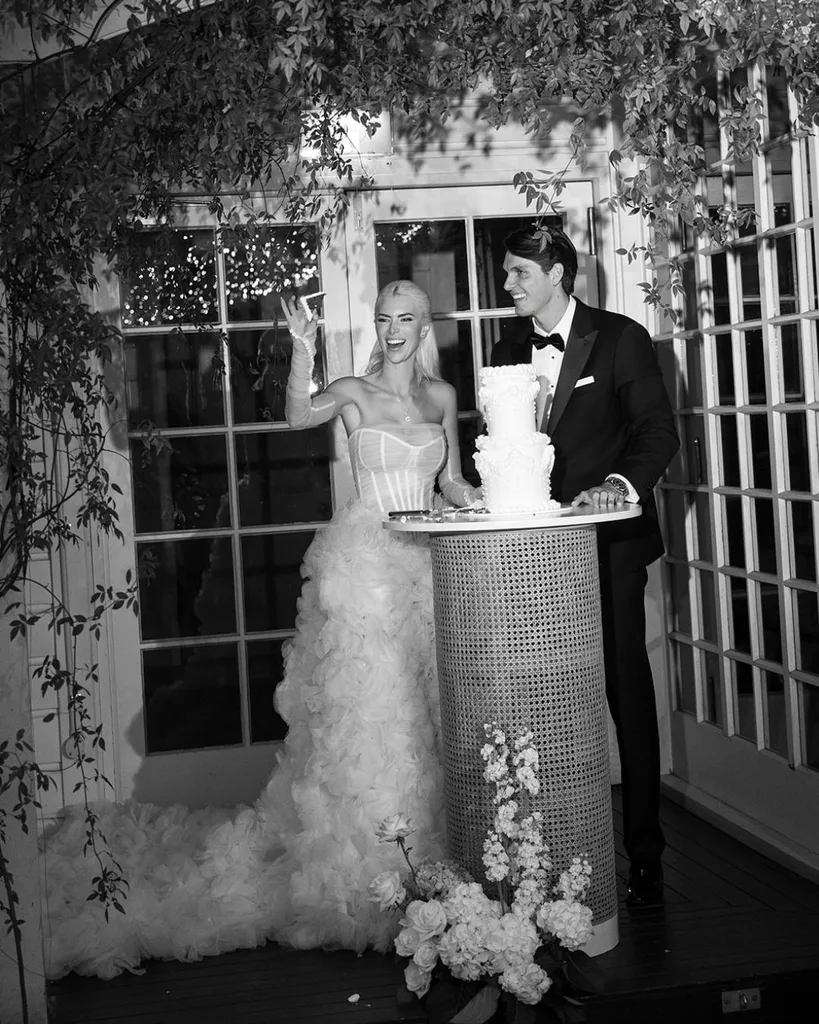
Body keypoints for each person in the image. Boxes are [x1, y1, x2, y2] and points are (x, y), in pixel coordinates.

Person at [41, 280, 480, 979]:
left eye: (405, 319)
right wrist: (302, 351)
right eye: (383, 318)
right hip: (366, 565)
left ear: (423, 325)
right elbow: (296, 418)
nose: (393, 329)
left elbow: (450, 479)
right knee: (371, 718)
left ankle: (431, 856)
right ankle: (362, 872)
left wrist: (490, 497)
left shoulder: (441, 398)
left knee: (427, 719)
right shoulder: (354, 389)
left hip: (425, 565)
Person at [490, 225, 679, 907]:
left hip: (606, 546)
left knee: (624, 693)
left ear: (558, 273)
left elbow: (657, 429)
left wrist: (619, 489)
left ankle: (645, 853)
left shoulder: (621, 336)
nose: (507, 285)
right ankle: (551, 845)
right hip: (532, 550)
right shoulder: (506, 346)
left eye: (518, 273)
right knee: (538, 699)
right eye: (506, 272)